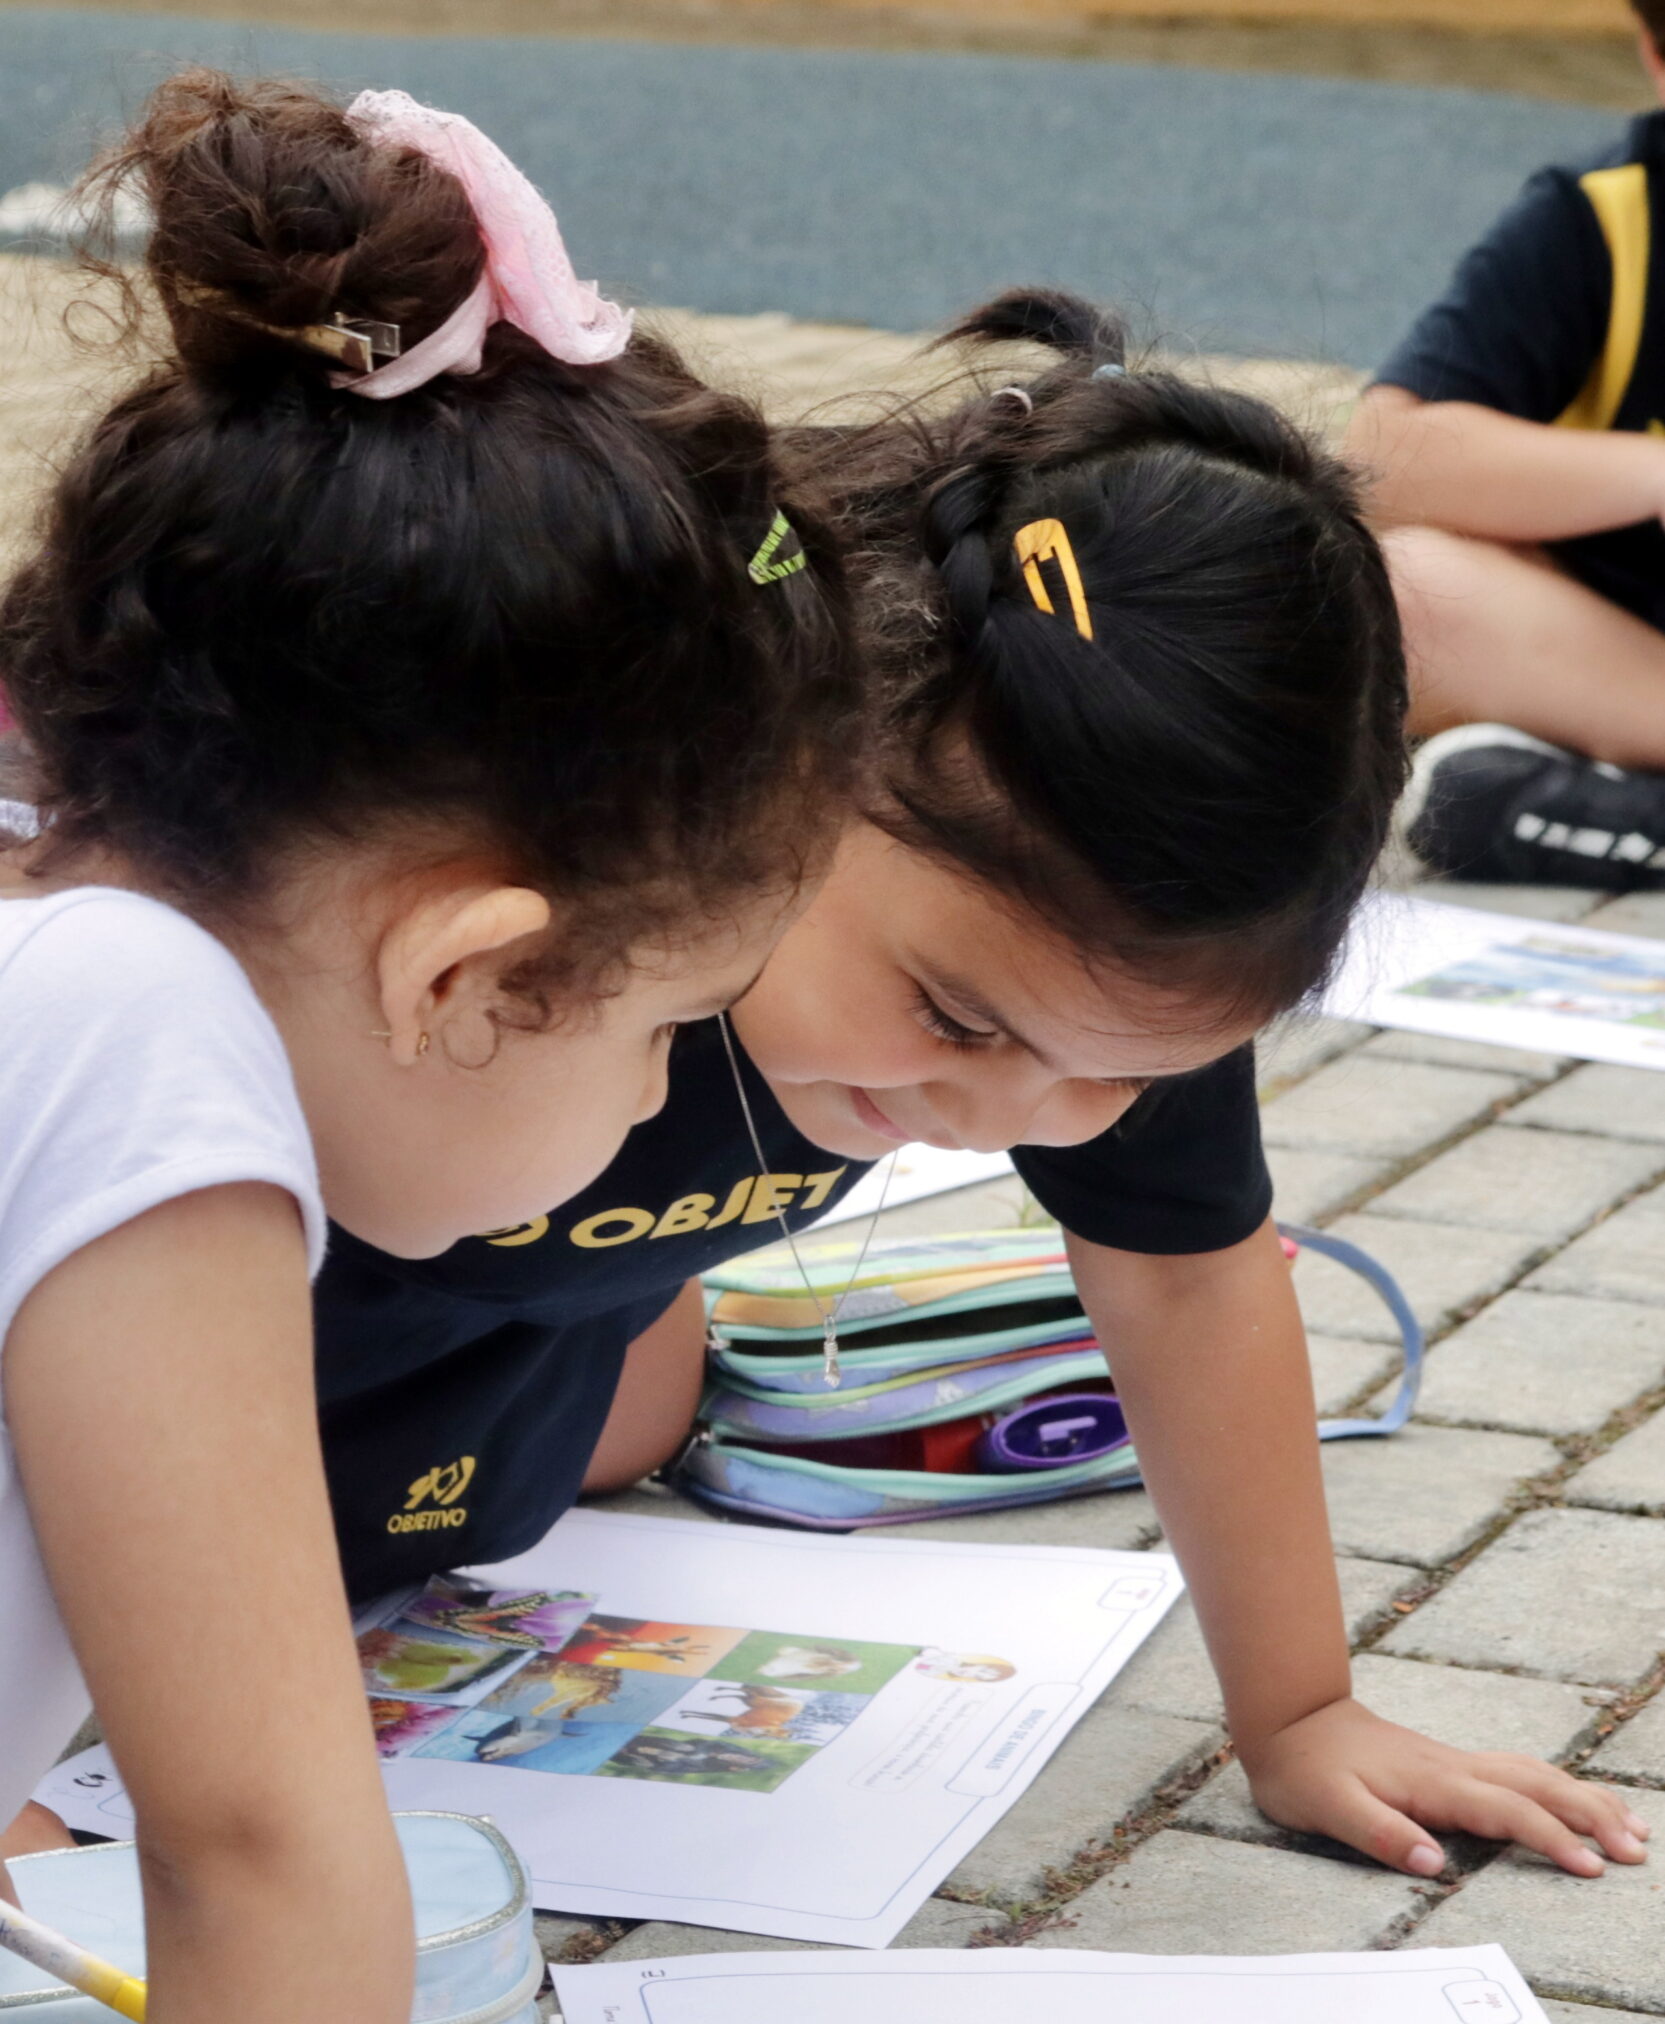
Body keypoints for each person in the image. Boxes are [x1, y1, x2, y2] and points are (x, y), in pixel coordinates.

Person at [294, 287, 1647, 1888]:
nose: (1008, 1113)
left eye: (1116, 1077)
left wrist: (1300, 1713)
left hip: (539, 1327)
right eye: (952, 1015)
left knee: (614, 1421)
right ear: (792, 767)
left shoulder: (1112, 960)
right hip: (221, 1318)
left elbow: (1191, 1284)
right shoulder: (599, 831)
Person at [0, 70, 852, 2024]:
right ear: (469, 968)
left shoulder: (62, 948)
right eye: (654, 1026)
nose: (652, 1106)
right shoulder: (155, 1051)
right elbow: (265, 1844)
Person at [1346, 3, 1665, 884]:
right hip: (1621, 669)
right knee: (1399, 588)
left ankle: (1585, 811)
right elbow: (1387, 456)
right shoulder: (1600, 221)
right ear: (1654, 59)